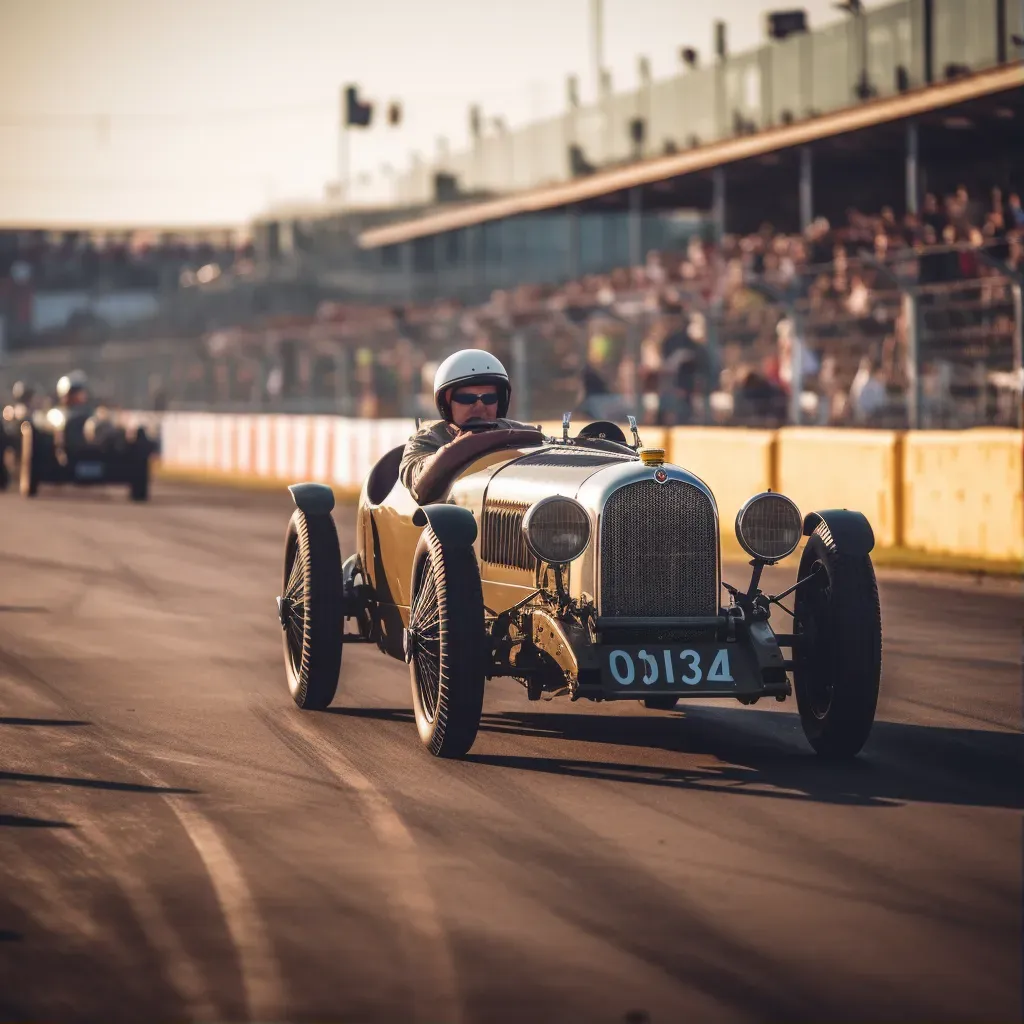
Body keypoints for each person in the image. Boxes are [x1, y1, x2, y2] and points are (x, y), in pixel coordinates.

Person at [399, 349, 535, 497]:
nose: (480, 406)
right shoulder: (427, 440)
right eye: (467, 399)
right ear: (446, 403)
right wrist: (459, 447)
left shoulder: (521, 434)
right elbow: (418, 484)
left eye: (489, 398)